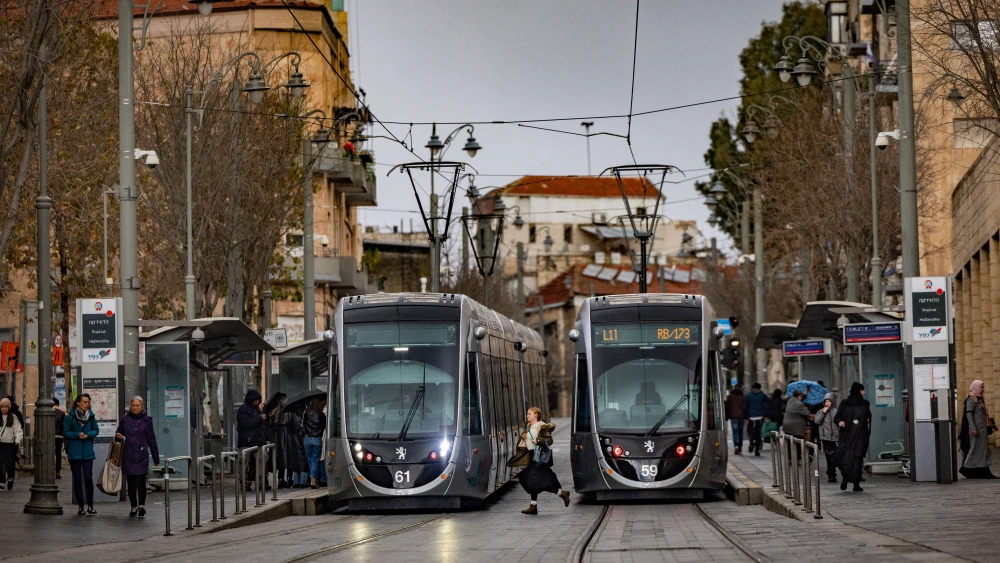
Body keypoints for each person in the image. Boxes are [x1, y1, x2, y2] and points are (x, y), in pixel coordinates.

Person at [516, 407, 569, 514]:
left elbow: (549, 440)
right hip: (532, 455)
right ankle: (534, 505)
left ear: (536, 415)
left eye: (529, 414)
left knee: (541, 480)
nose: (527, 416)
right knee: (529, 479)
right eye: (527, 414)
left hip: (539, 456)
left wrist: (539, 440)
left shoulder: (541, 426)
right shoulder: (529, 427)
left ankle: (561, 493)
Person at [115, 397, 160, 517]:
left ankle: (141, 506)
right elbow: (118, 434)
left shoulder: (147, 421)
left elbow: (151, 439)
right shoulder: (125, 420)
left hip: (141, 455)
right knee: (131, 483)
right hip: (128, 455)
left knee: (141, 481)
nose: (135, 407)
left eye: (137, 405)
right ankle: (133, 506)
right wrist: (118, 436)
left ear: (142, 407)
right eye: (133, 405)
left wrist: (156, 458)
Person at [64, 394, 99, 514]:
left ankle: (90, 505)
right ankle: (80, 506)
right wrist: (77, 435)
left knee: (88, 478)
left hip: (88, 452)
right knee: (78, 479)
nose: (87, 404)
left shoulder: (91, 416)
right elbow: (66, 432)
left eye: (88, 402)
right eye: (84, 402)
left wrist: (88, 434)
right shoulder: (71, 417)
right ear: (78, 403)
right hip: (75, 452)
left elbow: (96, 430)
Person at [834, 382, 872, 491]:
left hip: (860, 436)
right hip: (847, 436)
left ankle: (856, 484)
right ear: (858, 391)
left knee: (857, 460)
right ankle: (845, 479)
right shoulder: (845, 403)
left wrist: (866, 420)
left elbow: (868, 416)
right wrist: (840, 422)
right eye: (862, 390)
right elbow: (837, 417)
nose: (864, 392)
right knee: (845, 459)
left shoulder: (865, 404)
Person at [959, 380, 997, 479]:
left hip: (982, 430)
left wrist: (991, 425)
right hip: (976, 431)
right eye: (981, 387)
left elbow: (984, 415)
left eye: (983, 387)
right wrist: (973, 428)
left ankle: (982, 472)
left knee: (983, 451)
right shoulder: (971, 400)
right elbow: (969, 415)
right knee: (975, 450)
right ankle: (966, 469)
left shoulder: (980, 400)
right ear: (976, 387)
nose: (983, 389)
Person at [237, 389, 268, 489]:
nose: (258, 402)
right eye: (256, 400)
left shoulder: (257, 409)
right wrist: (260, 418)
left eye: (259, 400)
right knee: (243, 463)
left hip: (258, 441)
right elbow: (246, 423)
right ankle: (244, 483)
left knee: (262, 460)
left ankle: (261, 482)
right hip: (246, 441)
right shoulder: (243, 410)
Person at [813, 393, 839, 483]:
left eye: (829, 401)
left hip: (835, 437)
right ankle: (831, 475)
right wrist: (823, 412)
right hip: (825, 438)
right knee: (829, 456)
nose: (827, 403)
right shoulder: (820, 411)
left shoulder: (836, 411)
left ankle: (833, 471)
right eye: (826, 401)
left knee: (835, 456)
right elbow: (817, 421)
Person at [302, 397, 327, 489]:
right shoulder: (321, 414)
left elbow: (303, 425)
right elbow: (324, 426)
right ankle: (313, 480)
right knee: (316, 460)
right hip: (317, 439)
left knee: (310, 460)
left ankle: (312, 478)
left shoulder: (306, 412)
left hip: (307, 438)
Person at [0, 397, 23, 491]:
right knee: (0, 463)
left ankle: (10, 478)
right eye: (2, 407)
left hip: (10, 444)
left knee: (9, 464)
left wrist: (18, 440)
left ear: (9, 407)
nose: (4, 409)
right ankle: (1, 482)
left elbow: (18, 430)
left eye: (6, 407)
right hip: (0, 444)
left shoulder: (13, 418)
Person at [743, 383, 770, 456]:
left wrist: (745, 417)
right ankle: (757, 450)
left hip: (751, 417)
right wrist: (765, 414)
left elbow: (745, 407)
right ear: (760, 388)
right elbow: (769, 403)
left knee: (750, 431)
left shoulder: (748, 395)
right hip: (760, 417)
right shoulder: (762, 395)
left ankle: (751, 441)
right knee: (758, 433)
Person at [724, 386, 746, 455]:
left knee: (735, 432)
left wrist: (726, 417)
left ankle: (736, 445)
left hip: (733, 417)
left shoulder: (730, 397)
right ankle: (740, 447)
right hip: (741, 417)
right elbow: (745, 407)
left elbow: (727, 407)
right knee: (740, 433)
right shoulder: (743, 397)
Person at [53, 397, 66, 479]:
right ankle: (57, 472)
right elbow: (64, 425)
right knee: (58, 455)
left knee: (50, 454)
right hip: (59, 436)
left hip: (50, 436)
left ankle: (50, 471)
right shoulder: (62, 413)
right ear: (58, 404)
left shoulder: (49, 412)